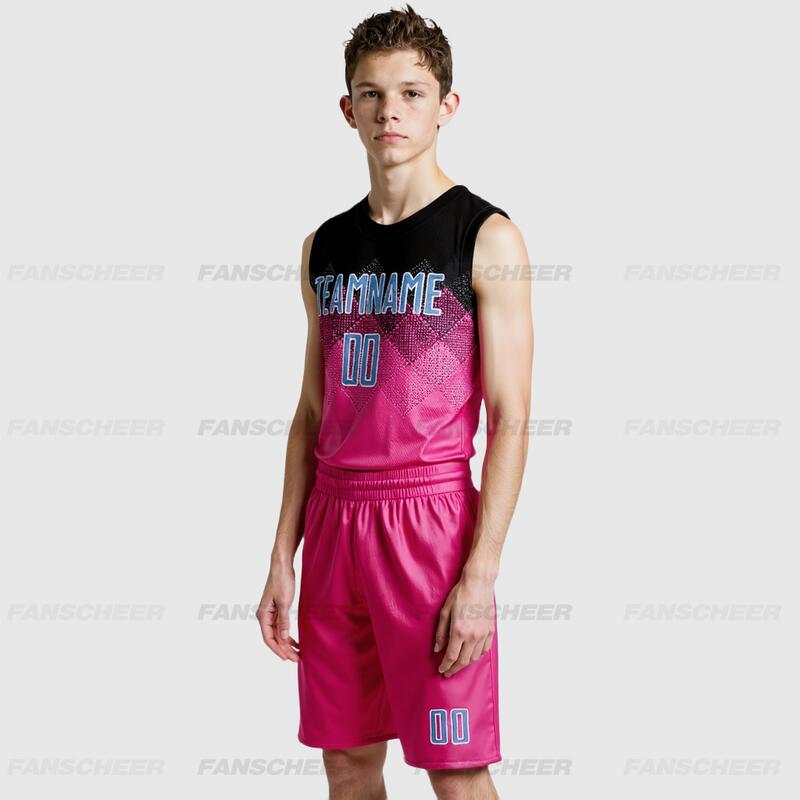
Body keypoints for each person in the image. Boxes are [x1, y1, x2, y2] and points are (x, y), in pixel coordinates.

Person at [257, 5, 532, 798]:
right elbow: (312, 414)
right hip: (333, 526)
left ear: (447, 105)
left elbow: (512, 417)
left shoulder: (486, 237)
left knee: (455, 768)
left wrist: (480, 574)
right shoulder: (324, 246)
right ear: (348, 109)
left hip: (430, 528)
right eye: (373, 95)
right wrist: (281, 556)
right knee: (346, 763)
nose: (391, 112)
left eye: (412, 93)